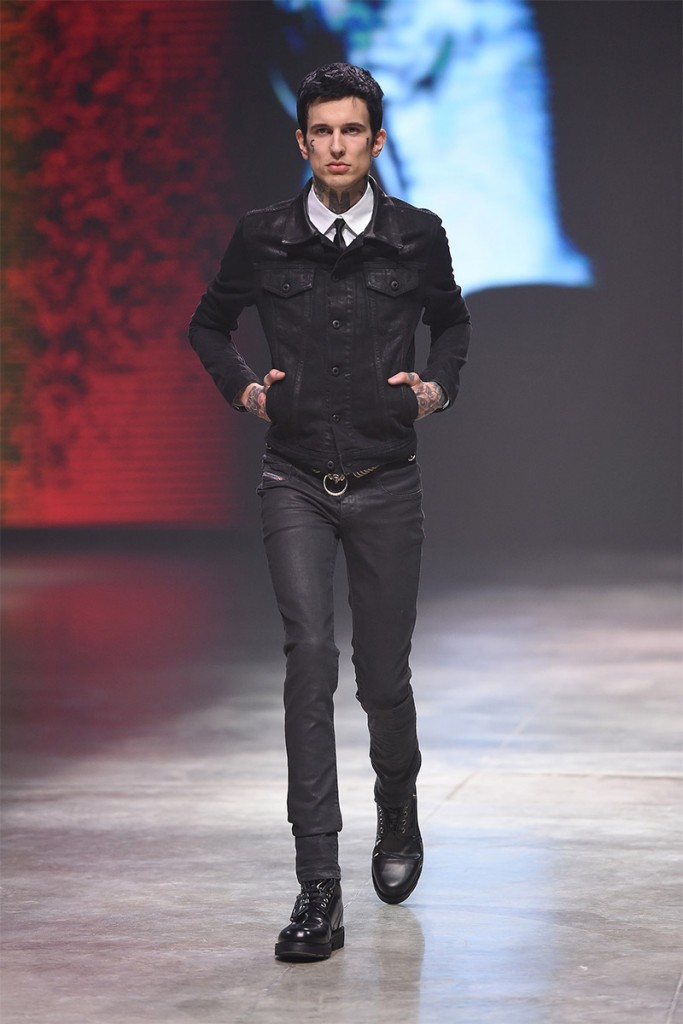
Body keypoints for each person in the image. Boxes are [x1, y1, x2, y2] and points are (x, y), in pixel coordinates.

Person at [189, 62, 471, 962]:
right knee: (308, 657)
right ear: (301, 140)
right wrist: (245, 390)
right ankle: (318, 884)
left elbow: (452, 323)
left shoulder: (416, 234)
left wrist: (434, 389)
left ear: (376, 141)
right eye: (323, 131)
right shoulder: (263, 236)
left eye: (353, 130)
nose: (338, 145)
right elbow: (208, 325)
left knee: (381, 676)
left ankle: (396, 803)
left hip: (387, 479)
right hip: (295, 477)